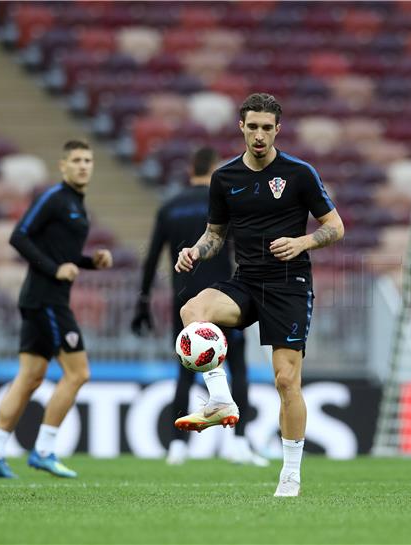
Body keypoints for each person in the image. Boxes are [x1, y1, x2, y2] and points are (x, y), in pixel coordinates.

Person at [174, 93, 345, 497]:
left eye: (267, 128)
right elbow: (215, 235)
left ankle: (290, 474)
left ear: (277, 130)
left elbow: (335, 226)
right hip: (246, 280)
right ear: (241, 127)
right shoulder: (225, 179)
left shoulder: (300, 173)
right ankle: (220, 399)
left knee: (286, 381)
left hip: (289, 285)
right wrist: (195, 252)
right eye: (253, 127)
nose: (259, 135)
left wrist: (303, 243)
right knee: (192, 309)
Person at [0, 140, 113, 478]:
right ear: (63, 165)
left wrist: (89, 262)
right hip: (46, 298)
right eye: (77, 160)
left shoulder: (77, 204)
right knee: (78, 373)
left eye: (88, 160)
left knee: (30, 378)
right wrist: (54, 270)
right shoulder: (54, 197)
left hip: (43, 299)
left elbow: (61, 253)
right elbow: (19, 236)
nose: (84, 165)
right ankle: (44, 449)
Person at [131, 146, 268, 467]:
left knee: (184, 373)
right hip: (221, 301)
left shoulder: (170, 208)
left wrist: (142, 304)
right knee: (239, 369)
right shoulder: (224, 204)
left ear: (190, 169)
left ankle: (178, 446)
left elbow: (151, 260)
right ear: (214, 168)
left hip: (185, 303)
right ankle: (238, 442)